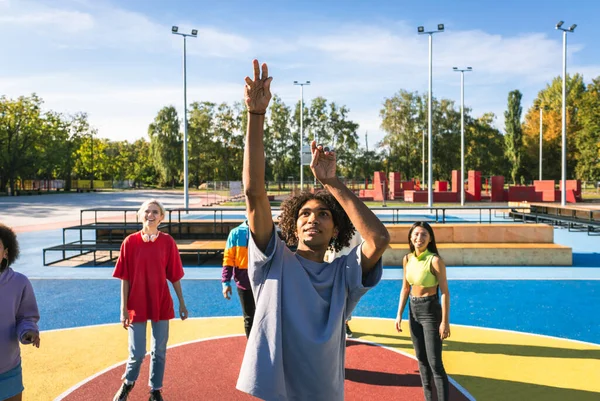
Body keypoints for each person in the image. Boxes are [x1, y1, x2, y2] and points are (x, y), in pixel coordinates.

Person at [236, 59, 390, 401]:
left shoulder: (343, 276)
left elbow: (378, 239)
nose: (313, 219)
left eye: (323, 214)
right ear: (292, 224)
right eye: (304, 213)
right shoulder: (271, 259)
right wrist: (256, 116)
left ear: (335, 230)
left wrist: (332, 182)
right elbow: (254, 192)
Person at [112, 199, 188, 401]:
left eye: (155, 212)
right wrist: (123, 309)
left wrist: (181, 302)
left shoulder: (168, 242)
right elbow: (124, 278)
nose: (151, 215)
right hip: (136, 303)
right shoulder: (129, 242)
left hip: (160, 302)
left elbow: (174, 275)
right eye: (147, 211)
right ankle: (128, 383)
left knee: (159, 351)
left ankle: (155, 390)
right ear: (141, 215)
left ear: (161, 217)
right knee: (137, 353)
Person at [395, 222, 450, 401]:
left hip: (430, 311)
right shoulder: (407, 259)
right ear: (411, 237)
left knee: (435, 363)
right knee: (421, 360)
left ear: (430, 238)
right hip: (413, 309)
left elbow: (445, 292)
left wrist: (444, 321)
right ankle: (428, 398)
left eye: (424, 235)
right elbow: (405, 288)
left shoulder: (434, 260)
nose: (419, 238)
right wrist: (399, 314)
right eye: (416, 234)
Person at [0, 224, 40, 401]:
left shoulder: (19, 283)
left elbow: (25, 316)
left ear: (6, 253)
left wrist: (28, 331)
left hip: (8, 369)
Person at [221, 220, 255, 338]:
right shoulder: (236, 233)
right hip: (244, 283)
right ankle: (252, 348)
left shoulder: (266, 231)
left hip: (264, 282)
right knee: (249, 317)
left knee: (266, 316)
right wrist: (225, 282)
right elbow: (228, 258)